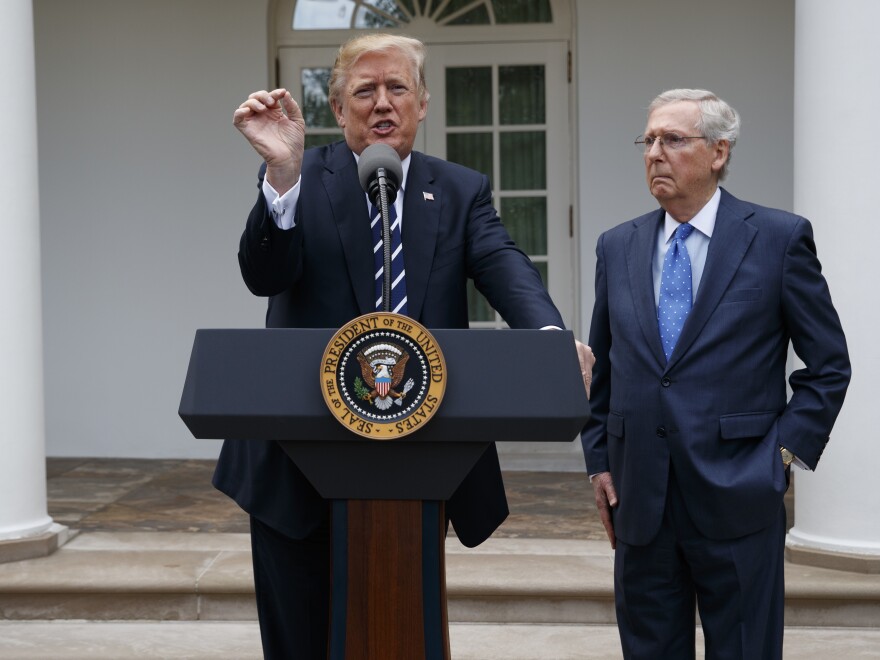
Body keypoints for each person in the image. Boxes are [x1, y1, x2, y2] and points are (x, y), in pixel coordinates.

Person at [213, 33, 594, 658]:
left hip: (416, 461)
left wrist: (550, 339)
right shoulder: (298, 175)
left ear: (422, 104)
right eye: (365, 91)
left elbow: (505, 267)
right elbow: (264, 277)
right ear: (338, 110)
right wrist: (281, 175)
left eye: (398, 89)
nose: (382, 104)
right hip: (293, 463)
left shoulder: (459, 190)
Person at [581, 88, 850, 659]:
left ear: (718, 152)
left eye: (673, 139)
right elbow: (605, 369)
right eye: (648, 140)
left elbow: (828, 365)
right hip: (640, 501)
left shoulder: (778, 239)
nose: (655, 152)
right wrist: (599, 462)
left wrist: (779, 456)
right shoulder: (617, 246)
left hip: (740, 494)